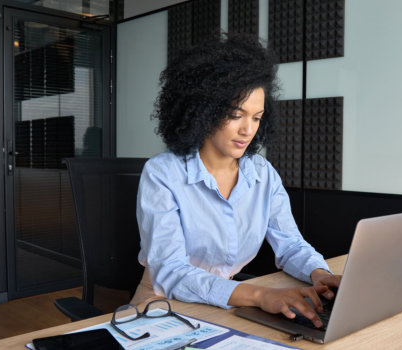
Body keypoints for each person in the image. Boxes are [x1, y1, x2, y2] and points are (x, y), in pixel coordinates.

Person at [132, 34, 340, 327]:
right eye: (235, 114)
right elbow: (172, 271)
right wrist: (259, 295)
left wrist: (321, 275)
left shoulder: (262, 173)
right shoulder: (163, 173)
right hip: (162, 301)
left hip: (229, 302)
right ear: (203, 110)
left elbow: (291, 245)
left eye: (257, 118)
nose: (247, 130)